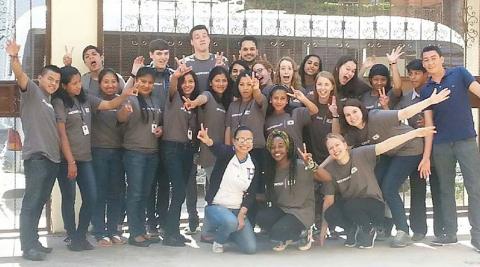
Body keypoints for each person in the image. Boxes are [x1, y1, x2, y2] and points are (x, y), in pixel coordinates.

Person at [339, 88, 449, 247]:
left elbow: (404, 113)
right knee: (374, 183)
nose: (352, 117)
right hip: (390, 153)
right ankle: (381, 224)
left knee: (389, 188)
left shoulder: (376, 116)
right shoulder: (353, 133)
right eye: (347, 115)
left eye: (354, 112)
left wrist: (430, 102)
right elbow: (339, 150)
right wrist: (317, 168)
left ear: (362, 110)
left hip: (410, 148)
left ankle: (402, 231)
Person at [52, 66, 133, 251]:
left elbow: (109, 105)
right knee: (69, 198)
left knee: (92, 196)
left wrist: (125, 94)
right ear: (64, 86)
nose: (79, 86)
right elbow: (62, 135)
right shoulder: (59, 102)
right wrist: (71, 161)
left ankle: (81, 235)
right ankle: (72, 236)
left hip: (86, 158)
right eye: (74, 83)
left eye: (79, 81)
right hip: (68, 160)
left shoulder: (86, 98)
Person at [319, 127, 436, 249]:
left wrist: (414, 133)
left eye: (337, 145)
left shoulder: (360, 154)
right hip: (353, 208)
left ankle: (369, 230)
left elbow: (386, 145)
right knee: (331, 212)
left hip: (373, 206)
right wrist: (323, 230)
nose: (335, 149)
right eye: (331, 148)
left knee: (350, 206)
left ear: (345, 145)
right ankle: (352, 230)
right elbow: (328, 200)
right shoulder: (331, 170)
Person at [419, 45, 480, 251]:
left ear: (442, 59)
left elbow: (477, 92)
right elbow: (428, 125)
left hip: (466, 141)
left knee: (475, 189)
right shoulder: (426, 90)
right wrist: (426, 157)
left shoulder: (460, 73)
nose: (429, 62)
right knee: (445, 190)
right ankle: (450, 233)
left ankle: (478, 236)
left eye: (433, 58)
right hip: (441, 145)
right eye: (425, 60)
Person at [6, 40, 61, 261]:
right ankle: (27, 247)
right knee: (31, 202)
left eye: (57, 81)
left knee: (39, 202)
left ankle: (35, 241)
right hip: (37, 157)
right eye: (50, 78)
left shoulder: (49, 100)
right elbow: (20, 76)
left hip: (52, 159)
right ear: (40, 78)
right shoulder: (33, 92)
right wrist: (14, 58)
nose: (54, 83)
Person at [126, 39, 174, 238]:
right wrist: (134, 73)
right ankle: (148, 225)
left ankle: (162, 222)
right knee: (144, 187)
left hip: (166, 135)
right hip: (141, 139)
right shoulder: (143, 75)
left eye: (165, 53)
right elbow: (126, 95)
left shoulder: (173, 76)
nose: (162, 57)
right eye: (158, 53)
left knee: (163, 183)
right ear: (151, 55)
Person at [394, 59, 445, 241]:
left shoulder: (436, 93)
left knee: (439, 188)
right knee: (417, 189)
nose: (413, 77)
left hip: (437, 147)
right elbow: (397, 120)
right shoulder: (406, 98)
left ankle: (442, 230)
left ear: (426, 75)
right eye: (410, 73)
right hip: (414, 151)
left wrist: (432, 122)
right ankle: (418, 229)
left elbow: (445, 116)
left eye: (417, 73)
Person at [117, 67, 162, 247]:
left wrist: (161, 130)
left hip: (152, 153)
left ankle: (141, 230)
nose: (146, 85)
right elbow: (119, 119)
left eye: (150, 82)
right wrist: (124, 113)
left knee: (144, 194)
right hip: (134, 154)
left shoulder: (156, 99)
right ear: (137, 81)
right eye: (143, 81)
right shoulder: (129, 98)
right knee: (135, 194)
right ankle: (134, 233)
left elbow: (158, 122)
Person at [197, 124, 259, 254]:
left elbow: (251, 193)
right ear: (234, 141)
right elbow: (217, 148)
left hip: (237, 210)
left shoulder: (254, 163)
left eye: (249, 140)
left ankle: (229, 232)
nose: (245, 143)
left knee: (250, 248)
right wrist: (208, 141)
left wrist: (241, 215)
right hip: (217, 206)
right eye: (241, 139)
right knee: (230, 222)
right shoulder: (227, 154)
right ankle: (219, 241)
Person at [256, 130, 317, 251]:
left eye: (280, 146)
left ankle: (304, 232)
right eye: (272, 147)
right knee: (261, 218)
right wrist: (250, 196)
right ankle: (287, 236)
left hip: (301, 213)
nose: (276, 150)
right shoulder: (271, 171)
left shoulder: (301, 165)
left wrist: (310, 164)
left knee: (278, 231)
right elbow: (270, 196)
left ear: (288, 147)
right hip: (283, 210)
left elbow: (326, 177)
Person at [162, 61, 200, 246]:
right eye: (184, 81)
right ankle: (169, 234)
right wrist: (176, 75)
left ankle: (174, 231)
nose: (187, 85)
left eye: (191, 81)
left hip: (187, 151)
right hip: (172, 149)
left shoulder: (195, 103)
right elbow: (171, 85)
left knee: (181, 193)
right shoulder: (173, 96)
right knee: (177, 191)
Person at [90, 68, 127, 247]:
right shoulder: (94, 99)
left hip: (118, 152)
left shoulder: (123, 100)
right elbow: (109, 106)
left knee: (116, 193)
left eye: (114, 81)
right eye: (106, 81)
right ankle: (99, 231)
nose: (110, 85)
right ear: (99, 84)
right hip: (99, 152)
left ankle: (113, 230)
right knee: (100, 193)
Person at [264, 85, 318, 155]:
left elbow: (314, 111)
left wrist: (303, 99)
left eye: (283, 98)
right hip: (278, 162)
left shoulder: (296, 113)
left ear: (287, 101)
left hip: (299, 161)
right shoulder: (267, 120)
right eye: (276, 98)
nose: (279, 101)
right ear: (270, 100)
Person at [184, 24, 227, 92]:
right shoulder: (185, 63)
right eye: (197, 37)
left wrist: (221, 69)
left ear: (209, 39)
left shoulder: (221, 60)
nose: (202, 39)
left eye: (204, 36)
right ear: (192, 42)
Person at [360, 46, 404, 110]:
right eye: (376, 79)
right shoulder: (365, 95)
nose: (379, 83)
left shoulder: (391, 94)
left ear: (387, 80)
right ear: (370, 79)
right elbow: (357, 83)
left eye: (383, 79)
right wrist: (363, 68)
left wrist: (393, 63)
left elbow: (397, 87)